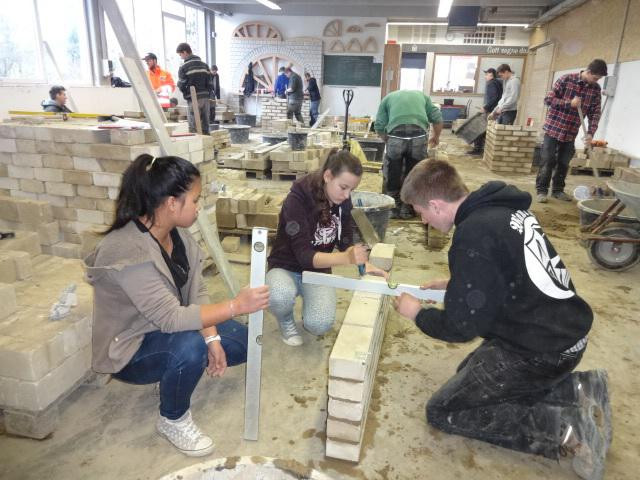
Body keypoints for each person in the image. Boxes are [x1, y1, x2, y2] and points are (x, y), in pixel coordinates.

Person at [394, 159, 612, 480]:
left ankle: (568, 430)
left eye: (420, 212)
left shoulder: (471, 236)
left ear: (436, 205)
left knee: (443, 410)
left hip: (542, 350)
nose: (422, 220)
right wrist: (460, 284)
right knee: (468, 377)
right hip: (566, 332)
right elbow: (507, 272)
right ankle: (580, 386)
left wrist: (416, 313)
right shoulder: (503, 211)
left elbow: (462, 327)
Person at [85, 154, 269, 457]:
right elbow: (171, 319)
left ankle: (182, 369)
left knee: (244, 342)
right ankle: (172, 418)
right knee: (188, 347)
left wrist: (212, 337)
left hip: (173, 326)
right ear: (172, 203)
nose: (198, 207)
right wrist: (236, 305)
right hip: (131, 348)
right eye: (194, 200)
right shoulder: (127, 249)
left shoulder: (179, 236)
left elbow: (197, 291)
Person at [266, 149, 382, 346]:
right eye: (343, 187)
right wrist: (346, 258)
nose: (347, 196)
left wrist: (364, 265)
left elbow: (345, 240)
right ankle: (285, 319)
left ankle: (308, 305)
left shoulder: (342, 198)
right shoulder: (297, 199)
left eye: (351, 190)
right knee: (279, 294)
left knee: (319, 324)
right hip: (285, 267)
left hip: (317, 270)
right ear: (328, 176)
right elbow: (304, 256)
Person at [535, 59, 607, 203]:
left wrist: (590, 133)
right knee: (548, 160)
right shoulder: (566, 79)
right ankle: (542, 190)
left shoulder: (595, 89)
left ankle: (558, 190)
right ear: (588, 72)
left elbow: (595, 113)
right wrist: (569, 103)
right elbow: (548, 100)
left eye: (598, 79)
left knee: (563, 162)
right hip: (553, 129)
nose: (596, 81)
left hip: (570, 132)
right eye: (595, 78)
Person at [374, 90, 443, 219]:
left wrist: (388, 140)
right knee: (414, 171)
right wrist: (436, 137)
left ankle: (392, 207)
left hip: (395, 135)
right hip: (419, 135)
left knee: (393, 170)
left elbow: (379, 126)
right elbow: (437, 118)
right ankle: (408, 208)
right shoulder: (423, 96)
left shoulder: (387, 98)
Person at [176, 43, 212, 134]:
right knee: (205, 124)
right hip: (205, 98)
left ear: (185, 52)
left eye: (180, 55)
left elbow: (181, 84)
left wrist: (186, 94)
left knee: (193, 126)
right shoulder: (205, 65)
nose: (181, 57)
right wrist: (207, 94)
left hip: (193, 98)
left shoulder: (184, 67)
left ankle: (197, 145)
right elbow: (210, 83)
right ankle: (207, 144)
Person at [468, 68, 503, 155]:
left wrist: (485, 108)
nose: (485, 76)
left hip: (490, 110)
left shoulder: (491, 84)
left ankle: (477, 149)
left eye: (486, 74)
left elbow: (494, 97)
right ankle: (481, 148)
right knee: (486, 130)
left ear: (491, 75)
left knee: (478, 129)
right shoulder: (498, 83)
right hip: (495, 110)